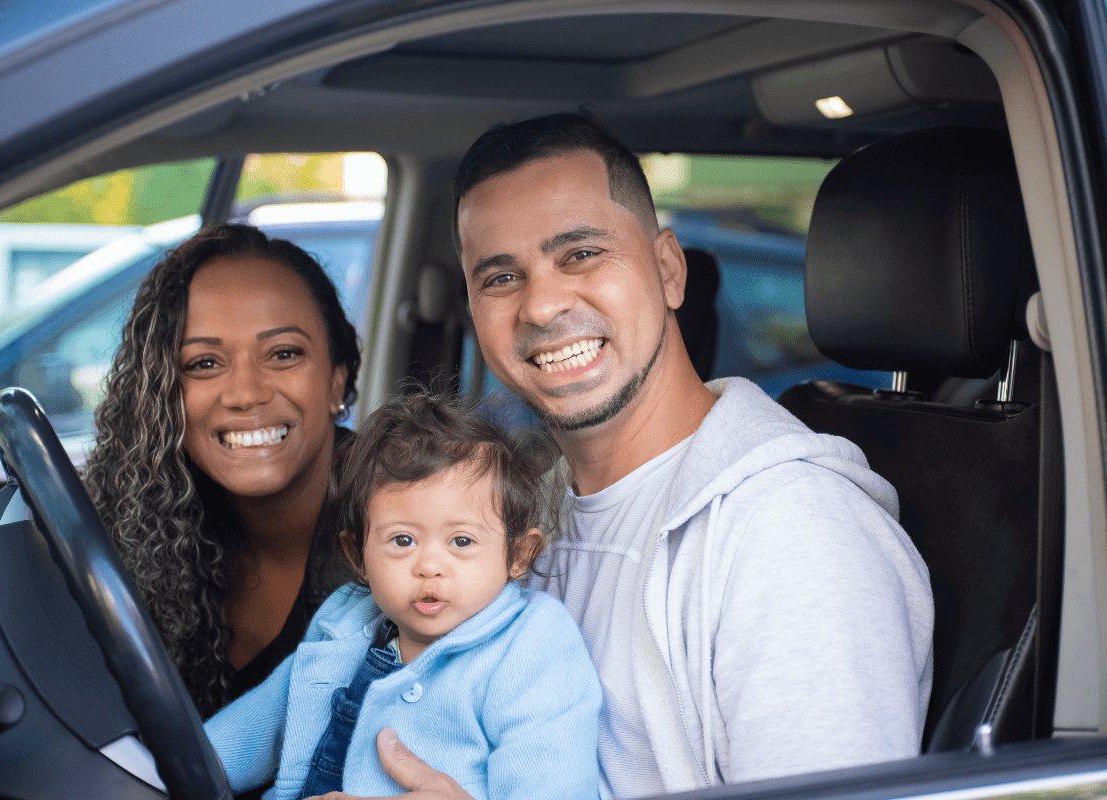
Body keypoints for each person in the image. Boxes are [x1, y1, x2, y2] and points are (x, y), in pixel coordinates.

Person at [336, 113, 934, 800]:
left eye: (581, 254)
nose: (543, 304)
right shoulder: (528, 514)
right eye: (501, 278)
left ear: (668, 270)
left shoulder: (791, 532)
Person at [204, 392, 601, 800]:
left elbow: (554, 782)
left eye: (461, 540)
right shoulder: (345, 619)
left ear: (519, 555)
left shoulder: (533, 644)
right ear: (357, 555)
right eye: (403, 539)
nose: (429, 566)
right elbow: (260, 724)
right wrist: (173, 766)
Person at [83, 223, 361, 721]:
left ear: (336, 379)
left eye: (283, 354)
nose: (245, 393)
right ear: (164, 396)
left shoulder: (414, 528)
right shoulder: (151, 521)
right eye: (205, 363)